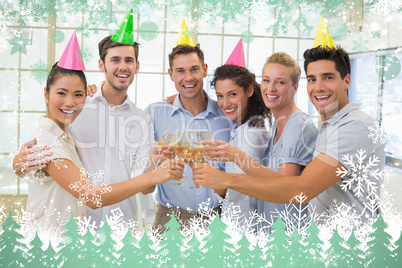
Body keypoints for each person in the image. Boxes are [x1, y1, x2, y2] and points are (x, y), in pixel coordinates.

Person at [192, 46, 385, 223]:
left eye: (328, 77)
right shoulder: (327, 126)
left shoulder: (353, 126)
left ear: (347, 81)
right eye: (312, 79)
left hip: (348, 249)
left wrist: (227, 176)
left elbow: (299, 189)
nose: (318, 87)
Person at [13, 35, 156, 226]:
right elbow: (46, 153)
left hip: (122, 225)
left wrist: (155, 166)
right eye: (115, 59)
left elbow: (145, 186)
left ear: (136, 66)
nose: (122, 66)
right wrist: (18, 163)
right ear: (101, 64)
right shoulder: (77, 108)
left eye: (128, 60)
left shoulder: (141, 119)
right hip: (80, 226)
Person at [24, 62, 184, 228]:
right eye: (61, 93)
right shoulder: (47, 143)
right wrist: (153, 176)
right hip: (47, 242)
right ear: (46, 94)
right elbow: (91, 197)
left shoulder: (65, 136)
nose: (70, 102)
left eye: (78, 95)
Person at [202, 53, 318, 230]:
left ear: (295, 88)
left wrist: (235, 157)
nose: (270, 88)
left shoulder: (296, 125)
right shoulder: (279, 125)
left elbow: (286, 187)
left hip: (287, 235)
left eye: (280, 82)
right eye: (266, 80)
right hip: (271, 232)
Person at [142, 44, 232, 230]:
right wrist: (154, 162)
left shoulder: (227, 116)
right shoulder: (154, 113)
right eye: (180, 71)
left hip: (218, 219)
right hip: (170, 219)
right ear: (171, 74)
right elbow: (144, 187)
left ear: (205, 70)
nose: (188, 78)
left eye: (194, 69)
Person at [208, 64, 271, 226]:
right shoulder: (242, 126)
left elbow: (238, 191)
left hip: (243, 227)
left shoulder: (250, 136)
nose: (225, 103)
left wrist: (208, 176)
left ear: (249, 91)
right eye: (220, 96)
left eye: (232, 94)